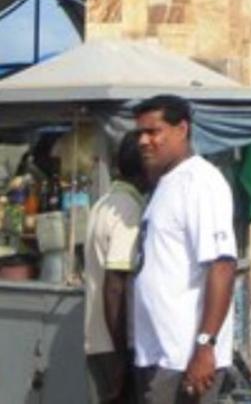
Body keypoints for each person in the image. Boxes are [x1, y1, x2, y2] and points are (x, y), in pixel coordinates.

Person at [132, 95, 237, 404]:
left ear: (182, 129)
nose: (144, 141)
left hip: (185, 356)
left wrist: (206, 346)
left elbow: (222, 265)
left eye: (154, 131)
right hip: (158, 353)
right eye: (139, 133)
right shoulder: (166, 184)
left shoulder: (201, 182)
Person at [85, 131, 145, 404]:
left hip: (99, 340)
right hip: (117, 344)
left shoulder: (103, 203)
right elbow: (115, 286)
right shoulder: (127, 209)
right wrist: (123, 357)